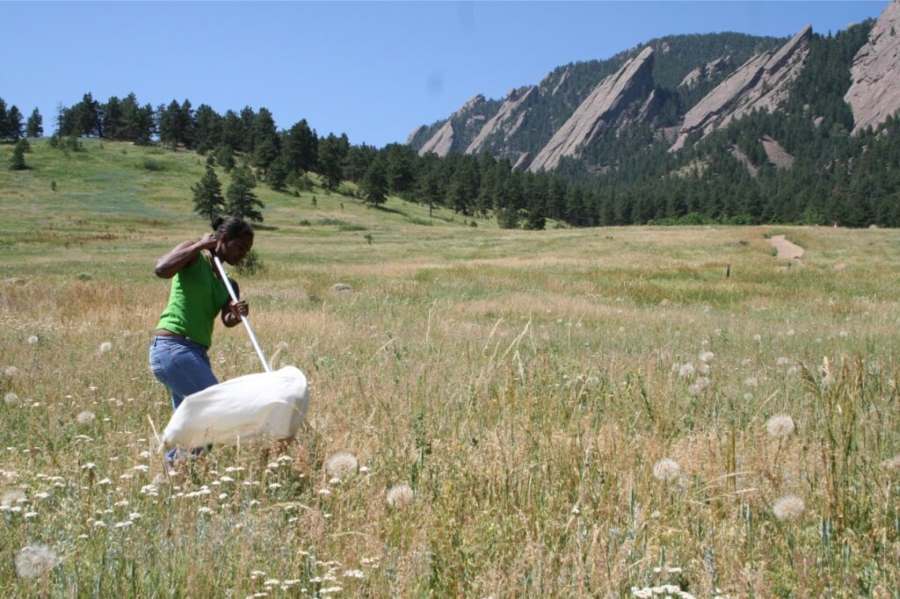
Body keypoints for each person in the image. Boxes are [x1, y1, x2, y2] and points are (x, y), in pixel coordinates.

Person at [149, 216, 254, 465]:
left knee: (197, 430)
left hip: (196, 354)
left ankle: (173, 478)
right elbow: (161, 269)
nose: (243, 255)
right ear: (223, 240)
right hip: (172, 348)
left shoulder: (230, 284)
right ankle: (173, 467)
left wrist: (236, 314)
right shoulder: (193, 257)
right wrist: (198, 246)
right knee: (213, 411)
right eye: (239, 247)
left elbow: (227, 320)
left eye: (247, 251)